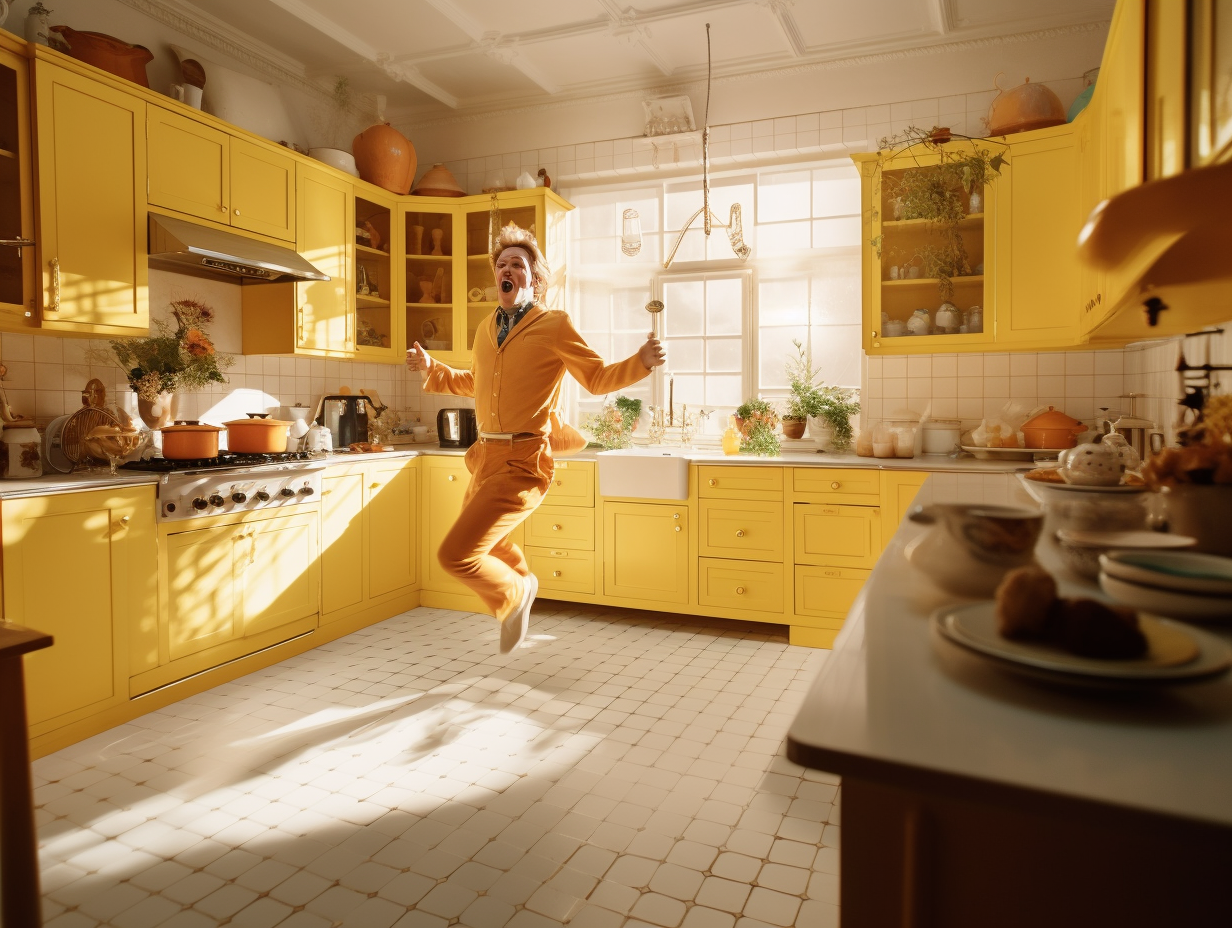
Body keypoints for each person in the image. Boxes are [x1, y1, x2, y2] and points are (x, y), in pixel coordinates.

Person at [406, 223, 665, 653]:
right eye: (502, 264)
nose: (507, 269)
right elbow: (479, 382)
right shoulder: (486, 327)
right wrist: (433, 368)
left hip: (523, 460)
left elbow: (597, 378)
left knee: (456, 555)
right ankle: (523, 581)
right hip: (484, 458)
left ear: (535, 279)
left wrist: (639, 362)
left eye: (518, 264)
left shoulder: (554, 325)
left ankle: (513, 595)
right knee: (494, 541)